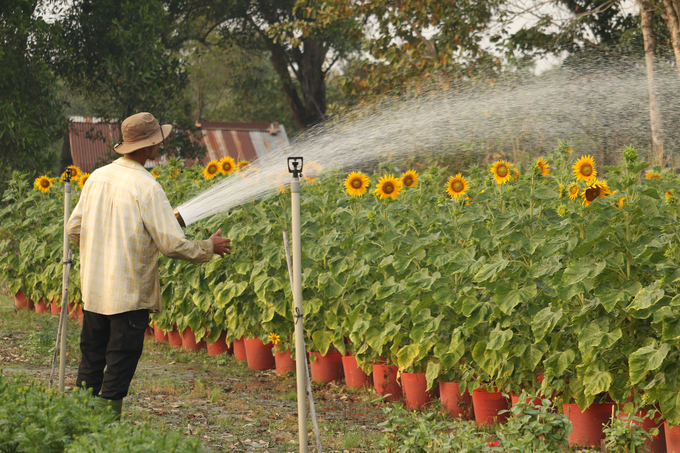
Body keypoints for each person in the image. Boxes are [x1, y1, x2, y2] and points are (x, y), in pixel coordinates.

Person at [66, 112, 230, 419]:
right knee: (120, 360)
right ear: (148, 148)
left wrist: (103, 248)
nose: (160, 145)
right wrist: (210, 247)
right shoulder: (147, 187)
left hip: (95, 290)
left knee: (91, 358)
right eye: (157, 141)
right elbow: (172, 245)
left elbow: (74, 229)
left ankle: (77, 423)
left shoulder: (98, 177)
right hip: (128, 296)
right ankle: (105, 427)